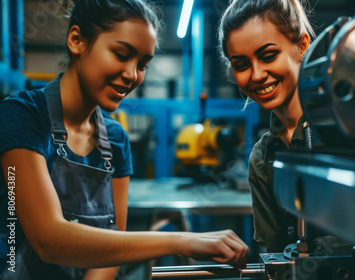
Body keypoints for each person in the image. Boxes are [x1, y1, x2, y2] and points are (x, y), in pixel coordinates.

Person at [0, 0, 248, 279]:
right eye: (121, 53)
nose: (132, 75)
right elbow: (48, 239)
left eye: (143, 64)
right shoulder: (22, 117)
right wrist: (183, 240)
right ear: (77, 40)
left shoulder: (115, 139)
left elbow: (110, 248)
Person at [218, 0, 326, 253]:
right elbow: (275, 256)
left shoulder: (348, 129)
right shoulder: (262, 157)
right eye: (241, 65)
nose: (256, 75)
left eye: (268, 56)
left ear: (302, 46)